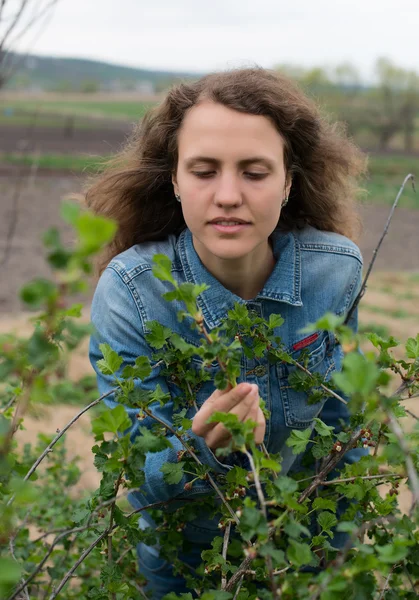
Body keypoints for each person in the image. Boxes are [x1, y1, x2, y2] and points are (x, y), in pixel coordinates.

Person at [87, 67, 368, 598]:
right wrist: (200, 453)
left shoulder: (337, 272)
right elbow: (145, 472)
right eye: (204, 170)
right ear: (174, 179)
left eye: (255, 172)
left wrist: (340, 552)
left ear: (288, 182)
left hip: (299, 551)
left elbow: (341, 428)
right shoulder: (130, 291)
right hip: (182, 563)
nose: (228, 195)